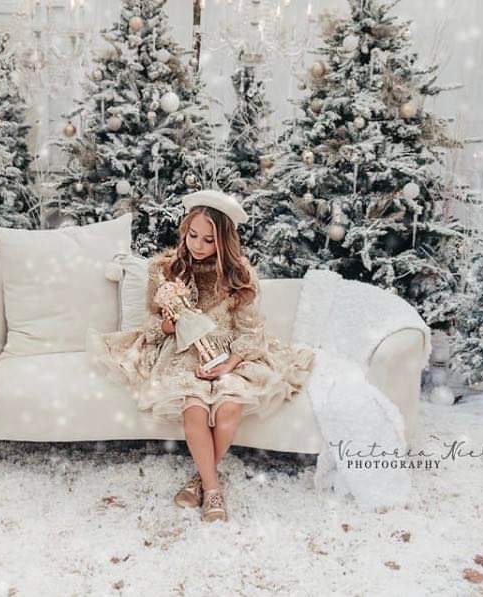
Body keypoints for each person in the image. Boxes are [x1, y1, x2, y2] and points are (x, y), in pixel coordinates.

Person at [86, 190, 316, 522]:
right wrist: (166, 325)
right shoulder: (166, 270)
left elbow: (249, 331)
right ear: (184, 231)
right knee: (194, 411)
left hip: (229, 354)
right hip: (182, 352)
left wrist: (231, 361)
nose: (197, 245)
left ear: (223, 243)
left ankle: (199, 480)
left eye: (208, 240)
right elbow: (153, 322)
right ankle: (214, 492)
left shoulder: (238, 276)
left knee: (228, 410)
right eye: (193, 235)